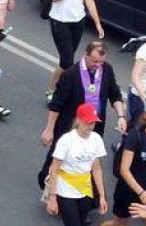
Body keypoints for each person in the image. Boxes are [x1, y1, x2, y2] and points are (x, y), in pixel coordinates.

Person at [39, 40, 126, 189]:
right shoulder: (70, 74)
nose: (98, 65)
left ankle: (79, 189)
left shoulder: (107, 70)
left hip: (94, 126)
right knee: (60, 155)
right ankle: (47, 183)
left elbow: (115, 94)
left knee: (87, 158)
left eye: (101, 62)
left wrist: (121, 116)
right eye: (94, 61)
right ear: (85, 55)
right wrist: (49, 129)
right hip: (70, 126)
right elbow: (56, 104)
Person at [45, 103, 108, 226]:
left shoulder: (96, 139)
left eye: (93, 122)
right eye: (88, 122)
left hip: (85, 189)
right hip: (65, 189)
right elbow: (54, 168)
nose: (91, 126)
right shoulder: (67, 140)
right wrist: (52, 197)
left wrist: (102, 196)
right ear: (79, 121)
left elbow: (96, 167)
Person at [46, 0, 105, 101]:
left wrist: (97, 23)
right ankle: (54, 90)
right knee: (67, 60)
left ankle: (61, 87)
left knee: (68, 57)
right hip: (60, 20)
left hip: (77, 20)